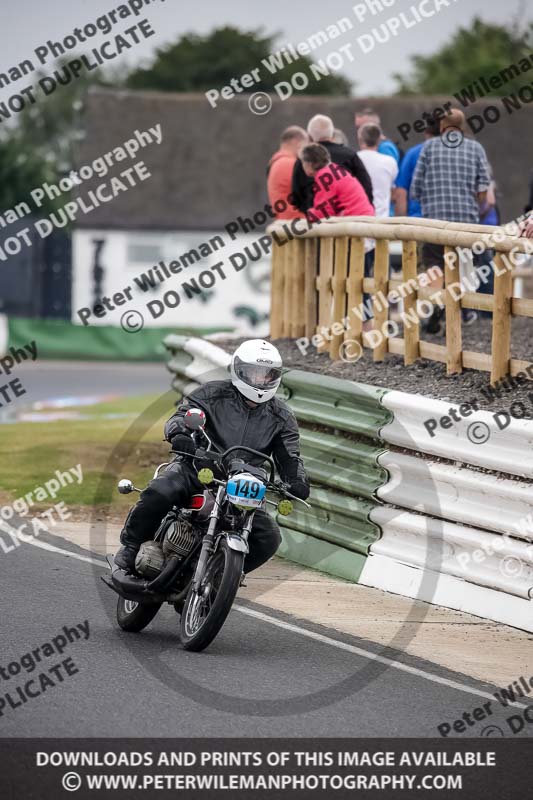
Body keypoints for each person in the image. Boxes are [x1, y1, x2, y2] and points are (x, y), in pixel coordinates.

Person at [114, 340, 310, 575]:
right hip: (197, 468)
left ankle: (218, 578)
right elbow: (182, 415)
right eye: (254, 373)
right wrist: (180, 433)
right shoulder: (212, 393)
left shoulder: (282, 416)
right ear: (238, 370)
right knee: (161, 491)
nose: (261, 380)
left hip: (241, 484)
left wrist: (296, 481)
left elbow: (290, 456)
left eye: (267, 375)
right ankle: (131, 545)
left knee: (268, 537)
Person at [410, 107, 491, 333]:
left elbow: (415, 187)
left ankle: (436, 307)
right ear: (462, 126)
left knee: (435, 267)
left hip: (435, 221)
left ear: (442, 126)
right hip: (465, 221)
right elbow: (484, 187)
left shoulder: (429, 147)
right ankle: (457, 313)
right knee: (460, 266)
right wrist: (474, 204)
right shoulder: (476, 148)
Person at [291, 114, 373, 213]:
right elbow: (366, 187)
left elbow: (297, 197)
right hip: (352, 218)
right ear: (333, 134)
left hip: (321, 221)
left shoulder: (305, 159)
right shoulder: (350, 156)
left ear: (309, 137)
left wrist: (310, 214)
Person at [301, 143, 375, 220]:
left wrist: (307, 214)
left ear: (309, 164)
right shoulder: (335, 169)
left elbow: (324, 213)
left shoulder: (325, 176)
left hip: (355, 220)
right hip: (365, 216)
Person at [394, 115, 440, 217]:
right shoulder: (458, 153)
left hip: (419, 219)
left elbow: (401, 191)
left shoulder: (413, 153)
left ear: (426, 132)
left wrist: (400, 223)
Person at [357, 123, 398, 218]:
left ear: (360, 139)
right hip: (382, 220)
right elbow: (393, 191)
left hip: (358, 219)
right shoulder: (390, 162)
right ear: (379, 140)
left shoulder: (352, 160)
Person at [267, 126, 308, 220]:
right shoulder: (290, 164)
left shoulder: (275, 162)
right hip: (297, 221)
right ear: (295, 141)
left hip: (282, 220)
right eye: (305, 144)